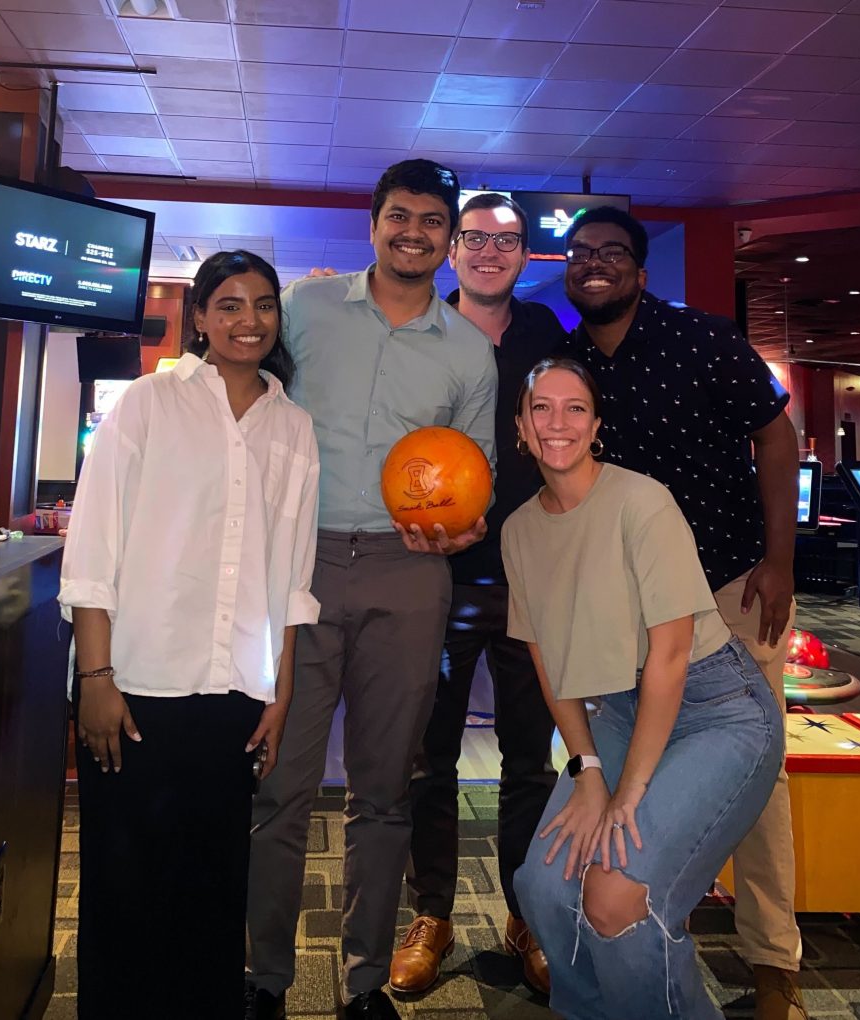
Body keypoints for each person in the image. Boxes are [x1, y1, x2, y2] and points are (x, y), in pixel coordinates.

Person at [245, 159, 498, 1020]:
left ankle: (362, 984)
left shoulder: (469, 351)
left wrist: (462, 531)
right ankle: (264, 978)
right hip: (298, 563)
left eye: (433, 221)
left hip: (408, 569)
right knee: (280, 781)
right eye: (400, 215)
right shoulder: (307, 309)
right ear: (374, 223)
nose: (414, 232)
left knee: (385, 789)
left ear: (449, 239)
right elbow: (241, 392)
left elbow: (478, 479)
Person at [58, 250, 320, 1020]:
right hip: (136, 686)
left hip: (235, 695)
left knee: (211, 887)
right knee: (124, 884)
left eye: (264, 305)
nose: (249, 320)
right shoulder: (146, 403)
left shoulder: (295, 427)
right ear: (199, 316)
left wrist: (279, 694)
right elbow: (94, 551)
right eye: (230, 305)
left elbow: (292, 581)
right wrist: (96, 681)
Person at [559, 206, 805, 1020]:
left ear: (640, 268)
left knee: (753, 775)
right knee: (645, 775)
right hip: (622, 615)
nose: (595, 265)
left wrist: (780, 560)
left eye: (613, 254)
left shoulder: (703, 339)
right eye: (581, 253)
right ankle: (653, 927)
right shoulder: (564, 365)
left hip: (727, 593)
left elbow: (778, 439)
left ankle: (775, 966)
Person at [504, 357, 783, 1019]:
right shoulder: (519, 532)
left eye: (575, 408)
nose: (558, 423)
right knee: (544, 890)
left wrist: (626, 791)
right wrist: (589, 772)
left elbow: (673, 652)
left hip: (718, 710)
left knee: (617, 895)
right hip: (622, 712)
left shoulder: (640, 501)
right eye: (541, 408)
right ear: (520, 426)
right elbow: (551, 666)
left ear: (596, 425)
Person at [390, 193, 565, 998]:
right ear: (452, 250)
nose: (490, 251)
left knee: (530, 758)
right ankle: (432, 912)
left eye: (507, 240)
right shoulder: (425, 329)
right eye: (476, 238)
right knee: (430, 756)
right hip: (438, 573)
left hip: (531, 576)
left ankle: (526, 914)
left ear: (526, 254)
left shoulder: (547, 338)